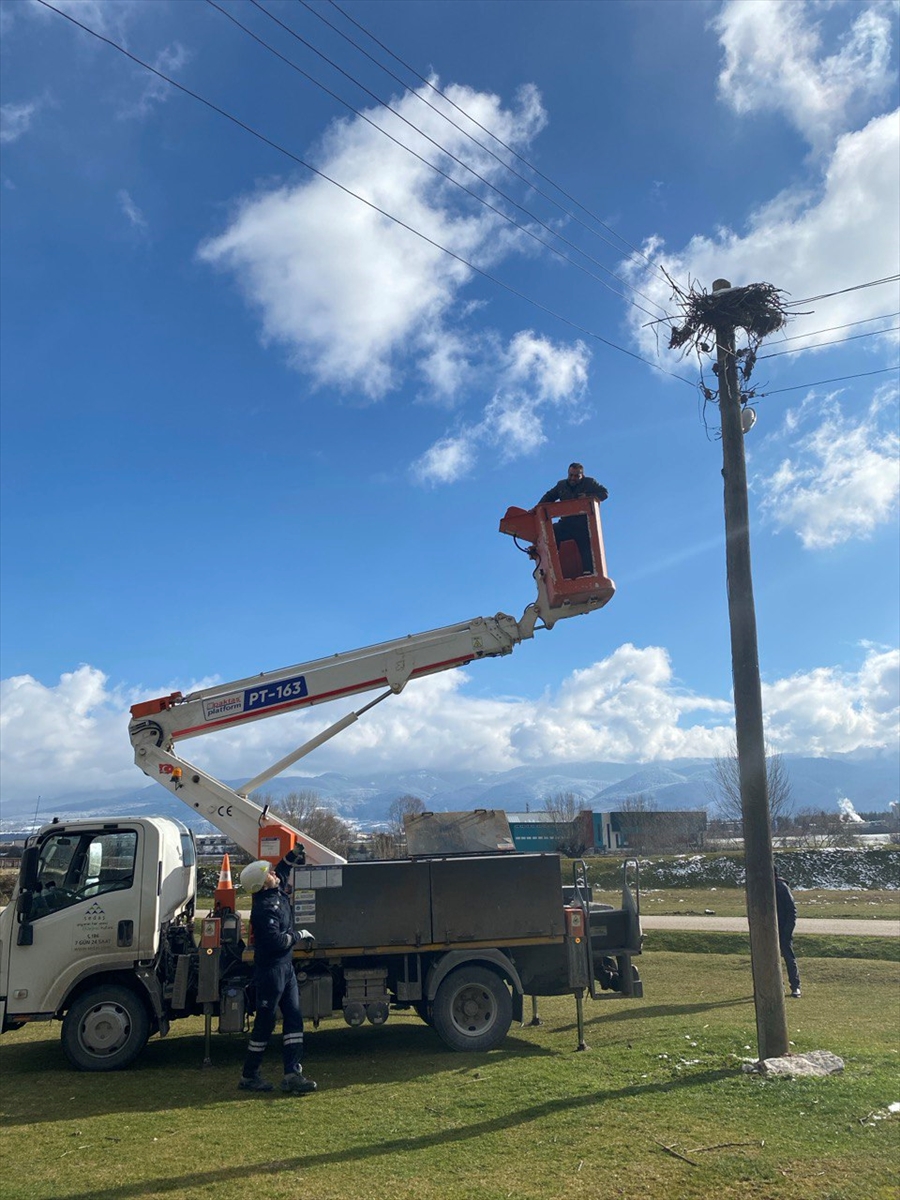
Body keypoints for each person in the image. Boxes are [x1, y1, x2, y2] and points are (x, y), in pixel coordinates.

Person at [238, 846, 317, 1094]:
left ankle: (293, 1074)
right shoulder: (264, 909)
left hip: (285, 968)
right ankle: (249, 1075)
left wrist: (293, 855)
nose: (273, 872)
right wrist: (299, 935)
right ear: (262, 884)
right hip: (271, 971)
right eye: (268, 873)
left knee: (293, 1016)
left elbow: (282, 869)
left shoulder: (274, 888)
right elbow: (275, 941)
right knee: (265, 1022)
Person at [538, 462, 608, 575]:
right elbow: (549, 496)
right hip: (566, 523)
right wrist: (537, 508)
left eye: (576, 476)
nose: (573, 478)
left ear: (582, 476)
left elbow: (604, 493)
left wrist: (588, 496)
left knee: (586, 543)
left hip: (583, 524)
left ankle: (588, 571)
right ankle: (554, 568)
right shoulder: (561, 485)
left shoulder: (590, 483)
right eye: (571, 475)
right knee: (552, 532)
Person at [774, 867, 801, 998]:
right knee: (770, 960)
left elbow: (792, 910)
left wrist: (788, 930)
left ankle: (795, 986)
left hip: (783, 928)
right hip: (768, 930)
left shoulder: (781, 887)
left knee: (789, 958)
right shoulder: (762, 887)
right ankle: (777, 986)